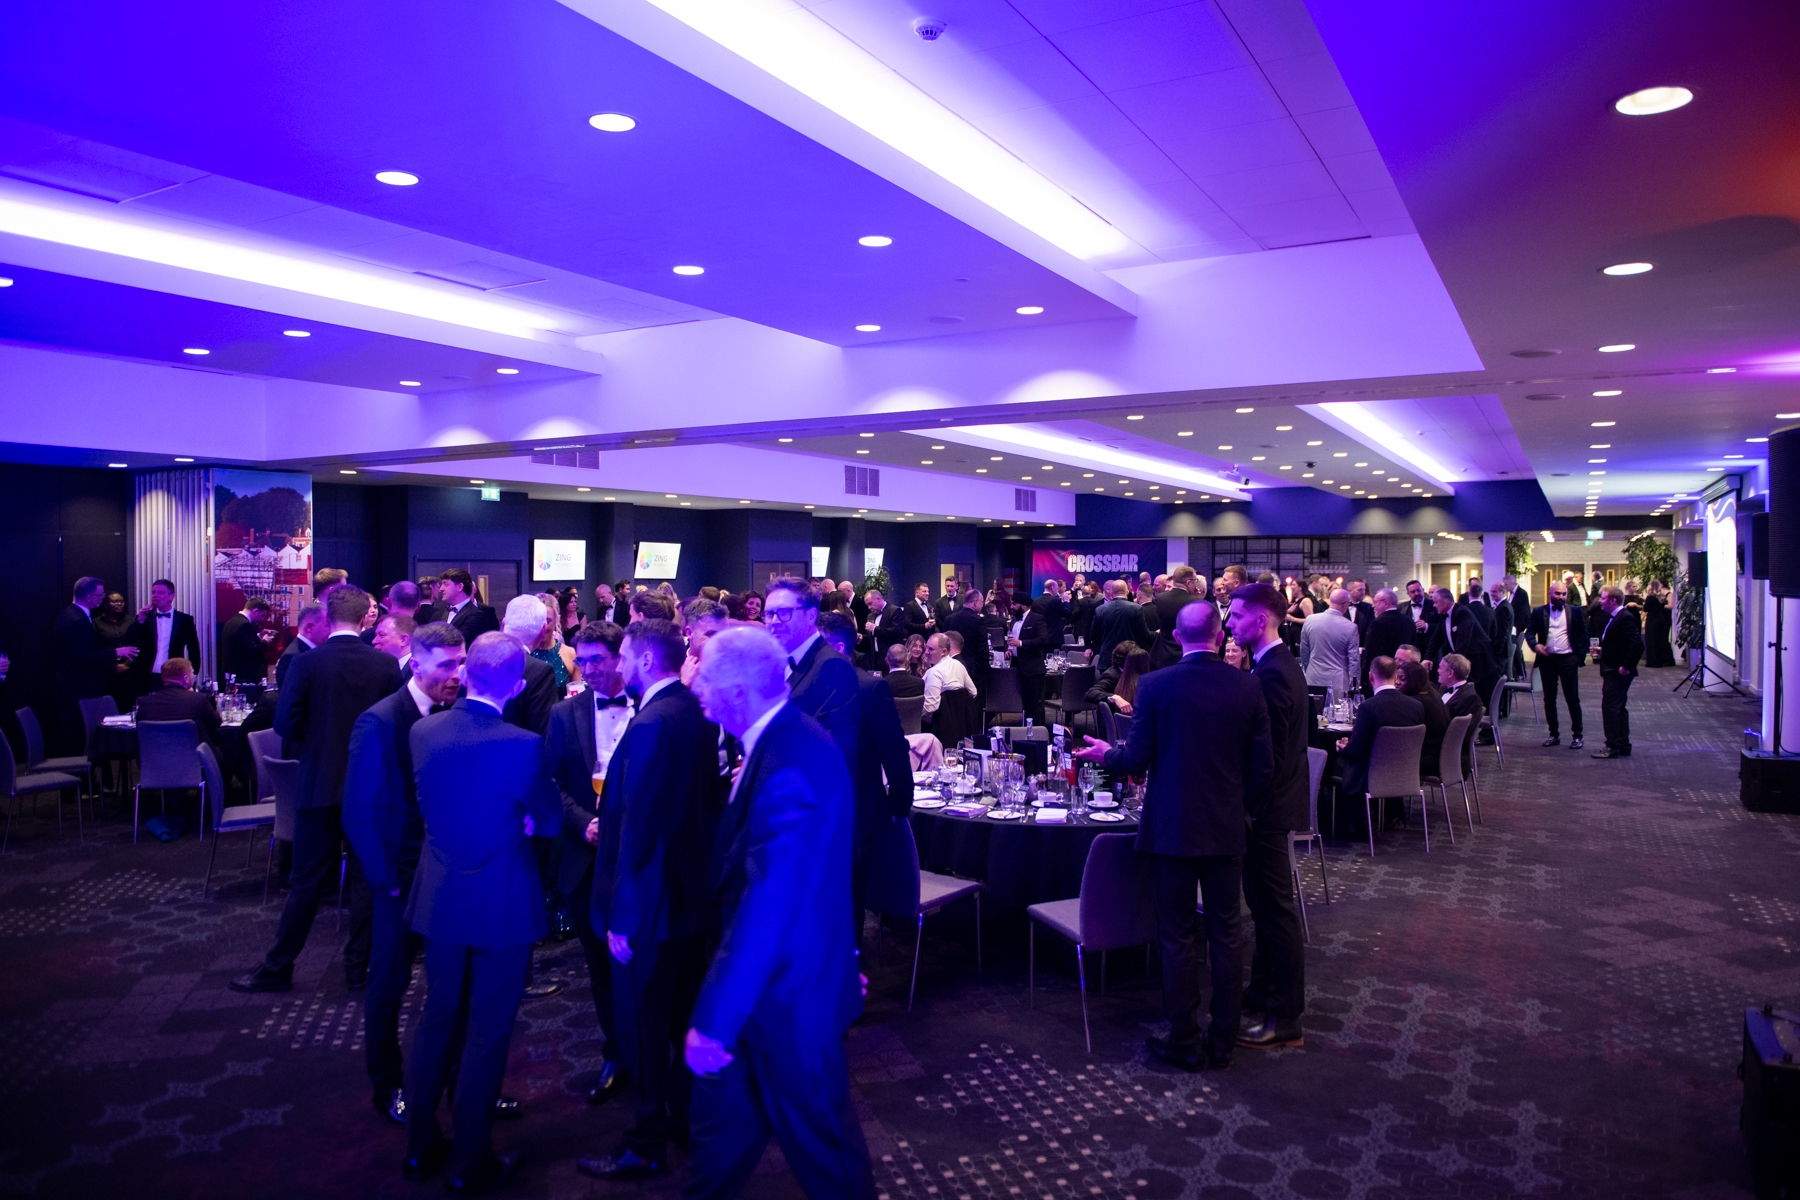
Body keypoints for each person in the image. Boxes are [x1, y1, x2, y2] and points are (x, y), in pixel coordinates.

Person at [683, 625, 873, 1199]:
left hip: (789, 1001)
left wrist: (713, 1019)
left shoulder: (790, 763)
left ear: (738, 690)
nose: (695, 685)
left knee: (831, 1165)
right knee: (717, 1150)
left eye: (704, 675)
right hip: (766, 992)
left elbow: (768, 906)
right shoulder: (783, 740)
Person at [1074, 601, 1272, 1071]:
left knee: (1177, 935)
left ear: (1177, 638)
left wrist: (1105, 754)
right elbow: (1262, 768)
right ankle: (1223, 1039)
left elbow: (1135, 760)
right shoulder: (1248, 686)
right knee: (1226, 935)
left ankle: (1184, 1039)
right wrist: (1240, 809)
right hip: (1226, 828)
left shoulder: (1156, 685)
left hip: (1171, 829)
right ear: (1221, 637)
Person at [399, 632, 560, 1191]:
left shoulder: (423, 732)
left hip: (441, 895)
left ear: (465, 674)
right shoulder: (523, 744)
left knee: (437, 1020)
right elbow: (551, 820)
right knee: (488, 1032)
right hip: (502, 902)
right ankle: (470, 1161)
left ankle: (419, 1147)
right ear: (517, 687)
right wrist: (528, 818)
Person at [577, 619, 720, 1181]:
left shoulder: (651, 723)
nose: (617, 666)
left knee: (642, 1028)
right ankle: (684, 1122)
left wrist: (623, 915)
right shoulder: (692, 709)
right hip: (686, 898)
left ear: (642, 659)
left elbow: (639, 827)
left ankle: (646, 1141)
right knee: (682, 1018)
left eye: (624, 656)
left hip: (650, 908)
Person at [232, 587, 400, 996]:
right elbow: (394, 725)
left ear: (327, 617)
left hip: (320, 784)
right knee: (366, 882)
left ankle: (278, 967)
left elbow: (285, 725)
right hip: (369, 788)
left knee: (305, 882)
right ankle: (358, 970)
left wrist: (319, 735)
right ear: (364, 619)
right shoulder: (385, 665)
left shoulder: (306, 662)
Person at [342, 621, 466, 1127]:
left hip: (448, 870)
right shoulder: (378, 720)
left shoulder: (459, 712)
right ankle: (388, 1085)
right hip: (397, 875)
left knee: (453, 985)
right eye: (446, 665)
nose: (456, 675)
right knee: (389, 984)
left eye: (461, 664)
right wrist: (385, 880)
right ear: (416, 664)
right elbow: (358, 811)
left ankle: (462, 1086)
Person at [542, 622, 634, 1106]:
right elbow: (550, 783)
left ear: (622, 657)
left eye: (599, 659)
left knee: (650, 960)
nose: (588, 668)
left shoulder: (650, 708)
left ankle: (657, 1048)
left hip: (641, 857)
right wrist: (584, 824)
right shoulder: (564, 713)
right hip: (588, 858)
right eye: (583, 660)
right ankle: (616, 1050)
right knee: (599, 965)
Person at [1224, 583, 1310, 1050]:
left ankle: (1285, 1016)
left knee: (1276, 913)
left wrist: (1250, 812)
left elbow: (1267, 759)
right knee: (1262, 906)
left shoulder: (1273, 674)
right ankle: (1262, 992)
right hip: (1274, 807)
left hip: (1269, 813)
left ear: (1260, 620)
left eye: (1237, 616)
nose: (1229, 623)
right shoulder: (1274, 664)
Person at [817, 613, 914, 943]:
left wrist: (898, 805)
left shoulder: (871, 688)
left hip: (857, 811)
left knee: (849, 900)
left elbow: (894, 750)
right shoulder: (799, 685)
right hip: (810, 810)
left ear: (837, 646)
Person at [762, 577, 859, 778]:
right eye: (770, 614)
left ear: (811, 615)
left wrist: (765, 769)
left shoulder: (833, 666)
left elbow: (832, 748)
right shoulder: (775, 663)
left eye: (784, 612)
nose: (775, 621)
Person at [53, 576, 138, 750]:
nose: (103, 598)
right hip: (78, 690)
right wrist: (116, 652)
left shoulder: (69, 614)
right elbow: (82, 657)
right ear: (89, 597)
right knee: (78, 741)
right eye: (100, 595)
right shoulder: (78, 620)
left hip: (69, 688)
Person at [1334, 657, 1425, 817]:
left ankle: (1352, 820)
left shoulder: (1368, 707)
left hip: (1371, 773)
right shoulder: (1416, 706)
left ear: (1371, 676)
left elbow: (1356, 752)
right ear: (1395, 677)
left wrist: (1345, 748)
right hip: (1406, 771)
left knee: (1331, 764)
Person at [1526, 580, 1589, 750]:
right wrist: (1535, 645)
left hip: (1569, 660)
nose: (1561, 597)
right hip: (1548, 660)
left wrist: (1579, 657)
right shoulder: (1539, 611)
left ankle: (1577, 735)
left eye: (1563, 594)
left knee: (1572, 699)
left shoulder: (1575, 611)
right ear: (1550, 594)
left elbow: (1583, 635)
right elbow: (1529, 632)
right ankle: (1553, 734)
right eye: (1557, 593)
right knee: (1549, 699)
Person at [1591, 585, 1643, 759]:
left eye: (1603, 598)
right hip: (1613, 668)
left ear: (1613, 600)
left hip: (1617, 671)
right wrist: (1603, 651)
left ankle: (1612, 746)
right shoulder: (1617, 617)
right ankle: (1622, 745)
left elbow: (1637, 645)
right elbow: (1620, 644)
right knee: (1618, 708)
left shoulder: (1624, 618)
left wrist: (1626, 666)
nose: (1600, 601)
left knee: (1611, 708)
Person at [135, 657, 223, 758]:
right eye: (192, 673)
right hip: (195, 760)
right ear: (186, 678)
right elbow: (216, 723)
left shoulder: (145, 702)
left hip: (155, 760)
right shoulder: (198, 699)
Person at [130, 578, 203, 694]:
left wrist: (192, 675)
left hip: (174, 677)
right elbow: (129, 640)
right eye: (154, 592)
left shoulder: (185, 620)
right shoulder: (146, 618)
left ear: (171, 596)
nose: (155, 596)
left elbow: (194, 649)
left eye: (160, 592)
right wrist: (139, 620)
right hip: (147, 676)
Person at [498, 595, 557, 735]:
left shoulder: (473, 661)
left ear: (503, 624)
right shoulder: (540, 672)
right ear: (543, 629)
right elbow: (544, 732)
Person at [921, 632, 980, 746]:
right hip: (962, 728)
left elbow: (930, 708)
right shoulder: (959, 665)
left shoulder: (934, 672)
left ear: (943, 651)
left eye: (931, 649)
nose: (926, 652)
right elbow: (973, 692)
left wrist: (914, 716)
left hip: (939, 731)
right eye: (926, 647)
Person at [1298, 589, 1360, 692]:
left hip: (1313, 677)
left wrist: (1309, 668)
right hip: (1338, 681)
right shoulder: (1350, 627)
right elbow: (1354, 660)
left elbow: (1304, 651)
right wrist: (1355, 686)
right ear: (1344, 604)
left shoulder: (1310, 620)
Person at [1397, 661, 1450, 779]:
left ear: (1414, 680)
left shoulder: (1416, 703)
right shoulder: (1431, 692)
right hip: (1440, 755)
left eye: (1402, 679)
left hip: (1428, 759)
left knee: (1380, 756)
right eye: (1396, 678)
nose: (1397, 683)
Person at [1088, 579, 1152, 673]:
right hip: (1130, 657)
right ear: (1127, 592)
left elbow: (1093, 636)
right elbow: (1144, 634)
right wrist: (1157, 634)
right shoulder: (1137, 608)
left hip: (1107, 658)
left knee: (1108, 682)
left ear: (1111, 593)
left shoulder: (1100, 610)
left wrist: (1107, 640)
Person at [92, 590, 141, 713]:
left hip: (129, 671)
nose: (119, 604)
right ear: (106, 604)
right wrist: (114, 666)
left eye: (121, 601)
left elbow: (138, 644)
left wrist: (126, 664)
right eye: (115, 601)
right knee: (107, 707)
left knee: (128, 706)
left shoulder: (131, 621)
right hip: (106, 672)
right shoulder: (96, 623)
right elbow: (95, 648)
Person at [1145, 566, 1203, 669]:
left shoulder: (1160, 598)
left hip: (1162, 655)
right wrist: (1197, 597)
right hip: (1185, 656)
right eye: (1195, 581)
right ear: (1189, 583)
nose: (1196, 584)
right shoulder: (1195, 602)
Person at [943, 583, 991, 702]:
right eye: (981, 602)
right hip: (973, 669)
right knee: (975, 703)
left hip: (951, 667)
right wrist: (985, 669)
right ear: (975, 602)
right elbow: (982, 648)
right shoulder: (979, 620)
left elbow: (944, 644)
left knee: (954, 702)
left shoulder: (949, 619)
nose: (982, 605)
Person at [1438, 654, 1483, 779]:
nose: (1438, 671)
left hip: (1450, 757)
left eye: (1440, 668)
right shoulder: (1443, 689)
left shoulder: (1470, 699)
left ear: (1450, 673)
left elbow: (1460, 735)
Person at [1007, 598, 1050, 727]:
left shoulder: (1037, 619)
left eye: (1015, 604)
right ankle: (1026, 729)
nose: (1011, 606)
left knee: (1035, 703)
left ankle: (1038, 732)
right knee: (1024, 701)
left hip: (1032, 667)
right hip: (1016, 665)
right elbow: (1011, 639)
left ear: (1024, 605)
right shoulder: (1014, 620)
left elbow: (1043, 639)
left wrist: (1021, 643)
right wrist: (1008, 650)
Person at [220, 597, 276, 687]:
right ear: (256, 611)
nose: (262, 619)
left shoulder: (231, 622)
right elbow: (251, 650)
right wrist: (265, 641)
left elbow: (241, 644)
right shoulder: (244, 625)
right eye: (262, 615)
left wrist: (259, 636)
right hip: (242, 677)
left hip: (231, 674)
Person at [276, 603, 329, 691]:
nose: (331, 630)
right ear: (309, 628)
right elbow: (290, 696)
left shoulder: (305, 652)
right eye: (327, 625)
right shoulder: (291, 658)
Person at [1085, 642, 1148, 715]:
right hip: (1118, 719)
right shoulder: (1112, 675)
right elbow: (1091, 693)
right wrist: (1114, 697)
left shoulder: (1136, 672)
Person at [439, 568, 498, 643]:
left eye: (446, 584)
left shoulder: (477, 615)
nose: (441, 589)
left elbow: (459, 641)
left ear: (460, 587)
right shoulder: (438, 614)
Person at [861, 589, 904, 670]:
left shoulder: (895, 610)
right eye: (867, 605)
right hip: (875, 658)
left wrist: (875, 629)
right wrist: (862, 637)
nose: (869, 607)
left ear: (878, 598)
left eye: (870, 604)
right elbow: (873, 636)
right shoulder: (870, 616)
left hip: (891, 657)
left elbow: (896, 631)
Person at [370, 612, 415, 678]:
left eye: (381, 635)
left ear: (403, 640)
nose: (373, 641)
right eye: (376, 635)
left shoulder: (419, 672)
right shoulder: (378, 666)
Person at [1644, 579, 1676, 667]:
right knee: (1659, 639)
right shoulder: (1661, 596)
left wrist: (1654, 606)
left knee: (1654, 640)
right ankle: (1661, 660)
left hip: (1656, 619)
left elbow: (1646, 608)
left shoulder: (1652, 597)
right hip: (1660, 618)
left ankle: (1656, 661)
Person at [1031, 579, 1070, 648]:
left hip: (1040, 637)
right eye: (1057, 588)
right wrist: (1066, 601)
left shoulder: (1034, 602)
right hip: (1055, 638)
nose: (1057, 591)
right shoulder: (1056, 601)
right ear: (1052, 588)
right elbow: (1068, 614)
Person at [1346, 579, 1373, 646]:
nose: (1363, 592)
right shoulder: (1341, 607)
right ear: (1350, 591)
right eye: (1360, 590)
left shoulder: (1369, 608)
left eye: (1364, 590)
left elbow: (1370, 630)